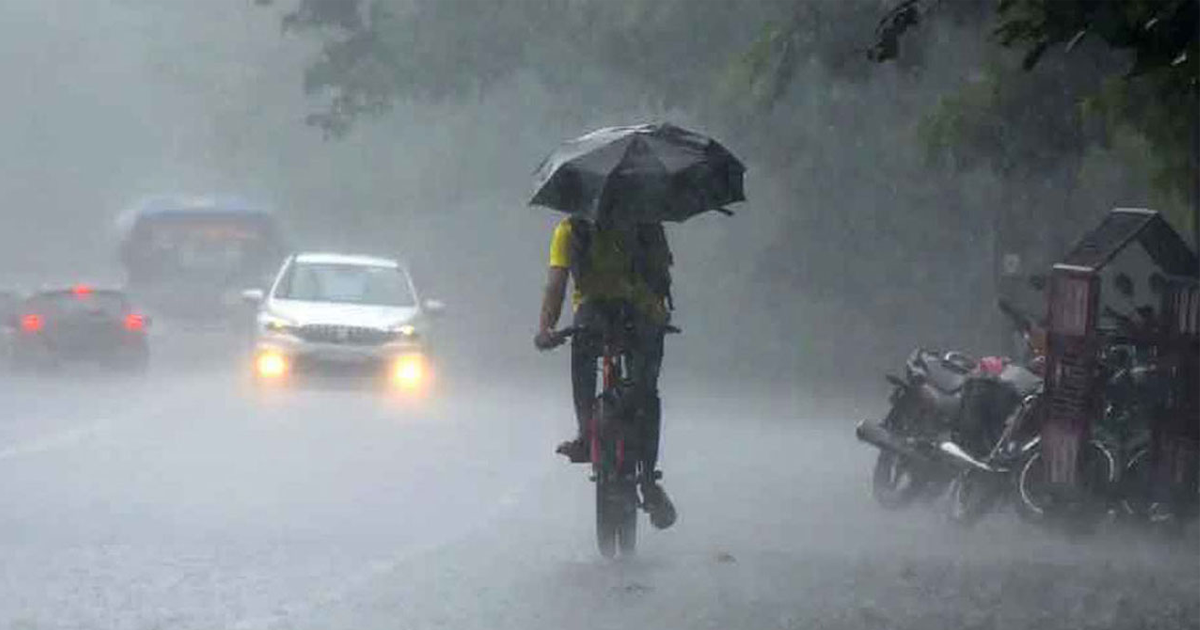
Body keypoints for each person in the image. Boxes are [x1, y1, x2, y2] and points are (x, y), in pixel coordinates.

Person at [534, 214, 677, 529]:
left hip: (594, 314)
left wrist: (547, 329)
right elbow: (662, 275)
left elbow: (556, 285)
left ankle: (586, 435)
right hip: (641, 314)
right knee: (646, 390)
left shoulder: (570, 229)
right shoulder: (646, 222)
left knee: (583, 360)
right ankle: (648, 480)